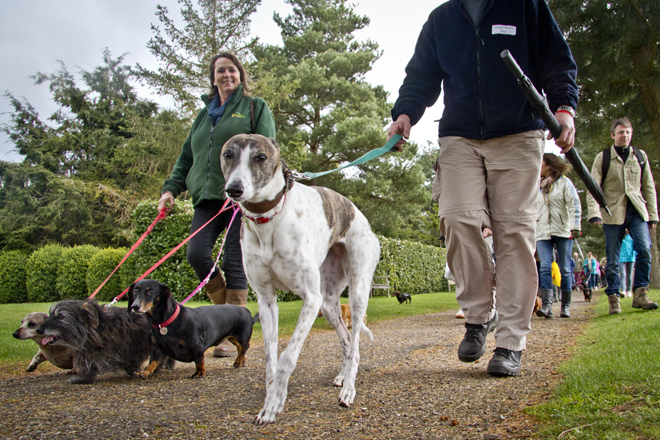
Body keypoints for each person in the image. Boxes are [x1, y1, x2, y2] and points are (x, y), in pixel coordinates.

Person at [387, 0, 578, 377]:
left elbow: (557, 60)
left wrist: (564, 108)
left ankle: (510, 342)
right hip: (460, 135)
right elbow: (421, 75)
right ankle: (479, 315)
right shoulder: (442, 18)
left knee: (514, 235)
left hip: (520, 132)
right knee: (457, 220)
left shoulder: (526, 7)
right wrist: (404, 113)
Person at [158, 52, 276, 356]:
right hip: (207, 197)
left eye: (232, 70)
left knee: (234, 260)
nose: (226, 75)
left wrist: (254, 188)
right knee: (196, 254)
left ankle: (226, 336)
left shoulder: (253, 107)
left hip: (241, 197)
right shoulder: (203, 115)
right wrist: (170, 189)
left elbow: (267, 149)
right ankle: (233, 321)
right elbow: (187, 156)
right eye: (220, 71)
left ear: (240, 75)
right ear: (214, 77)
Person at [587, 117, 658, 314]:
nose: (624, 136)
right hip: (612, 212)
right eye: (620, 132)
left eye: (627, 132)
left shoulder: (640, 156)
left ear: (631, 134)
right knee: (612, 259)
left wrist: (653, 215)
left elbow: (649, 187)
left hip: (637, 211)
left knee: (644, 249)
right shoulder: (604, 158)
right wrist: (594, 213)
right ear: (613, 135)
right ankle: (613, 298)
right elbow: (593, 187)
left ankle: (640, 293)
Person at [535, 153, 581, 319]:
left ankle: (565, 306)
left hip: (562, 230)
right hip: (542, 232)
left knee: (565, 269)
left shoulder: (564, 183)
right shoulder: (536, 185)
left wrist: (574, 227)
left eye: (540, 162)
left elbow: (574, 205)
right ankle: (547, 306)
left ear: (548, 165)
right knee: (545, 267)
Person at [619, 231, 636, 298]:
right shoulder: (620, 236)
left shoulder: (631, 236)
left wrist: (635, 255)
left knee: (629, 274)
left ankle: (629, 290)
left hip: (630, 257)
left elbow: (634, 246)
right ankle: (623, 290)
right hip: (621, 257)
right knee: (623, 274)